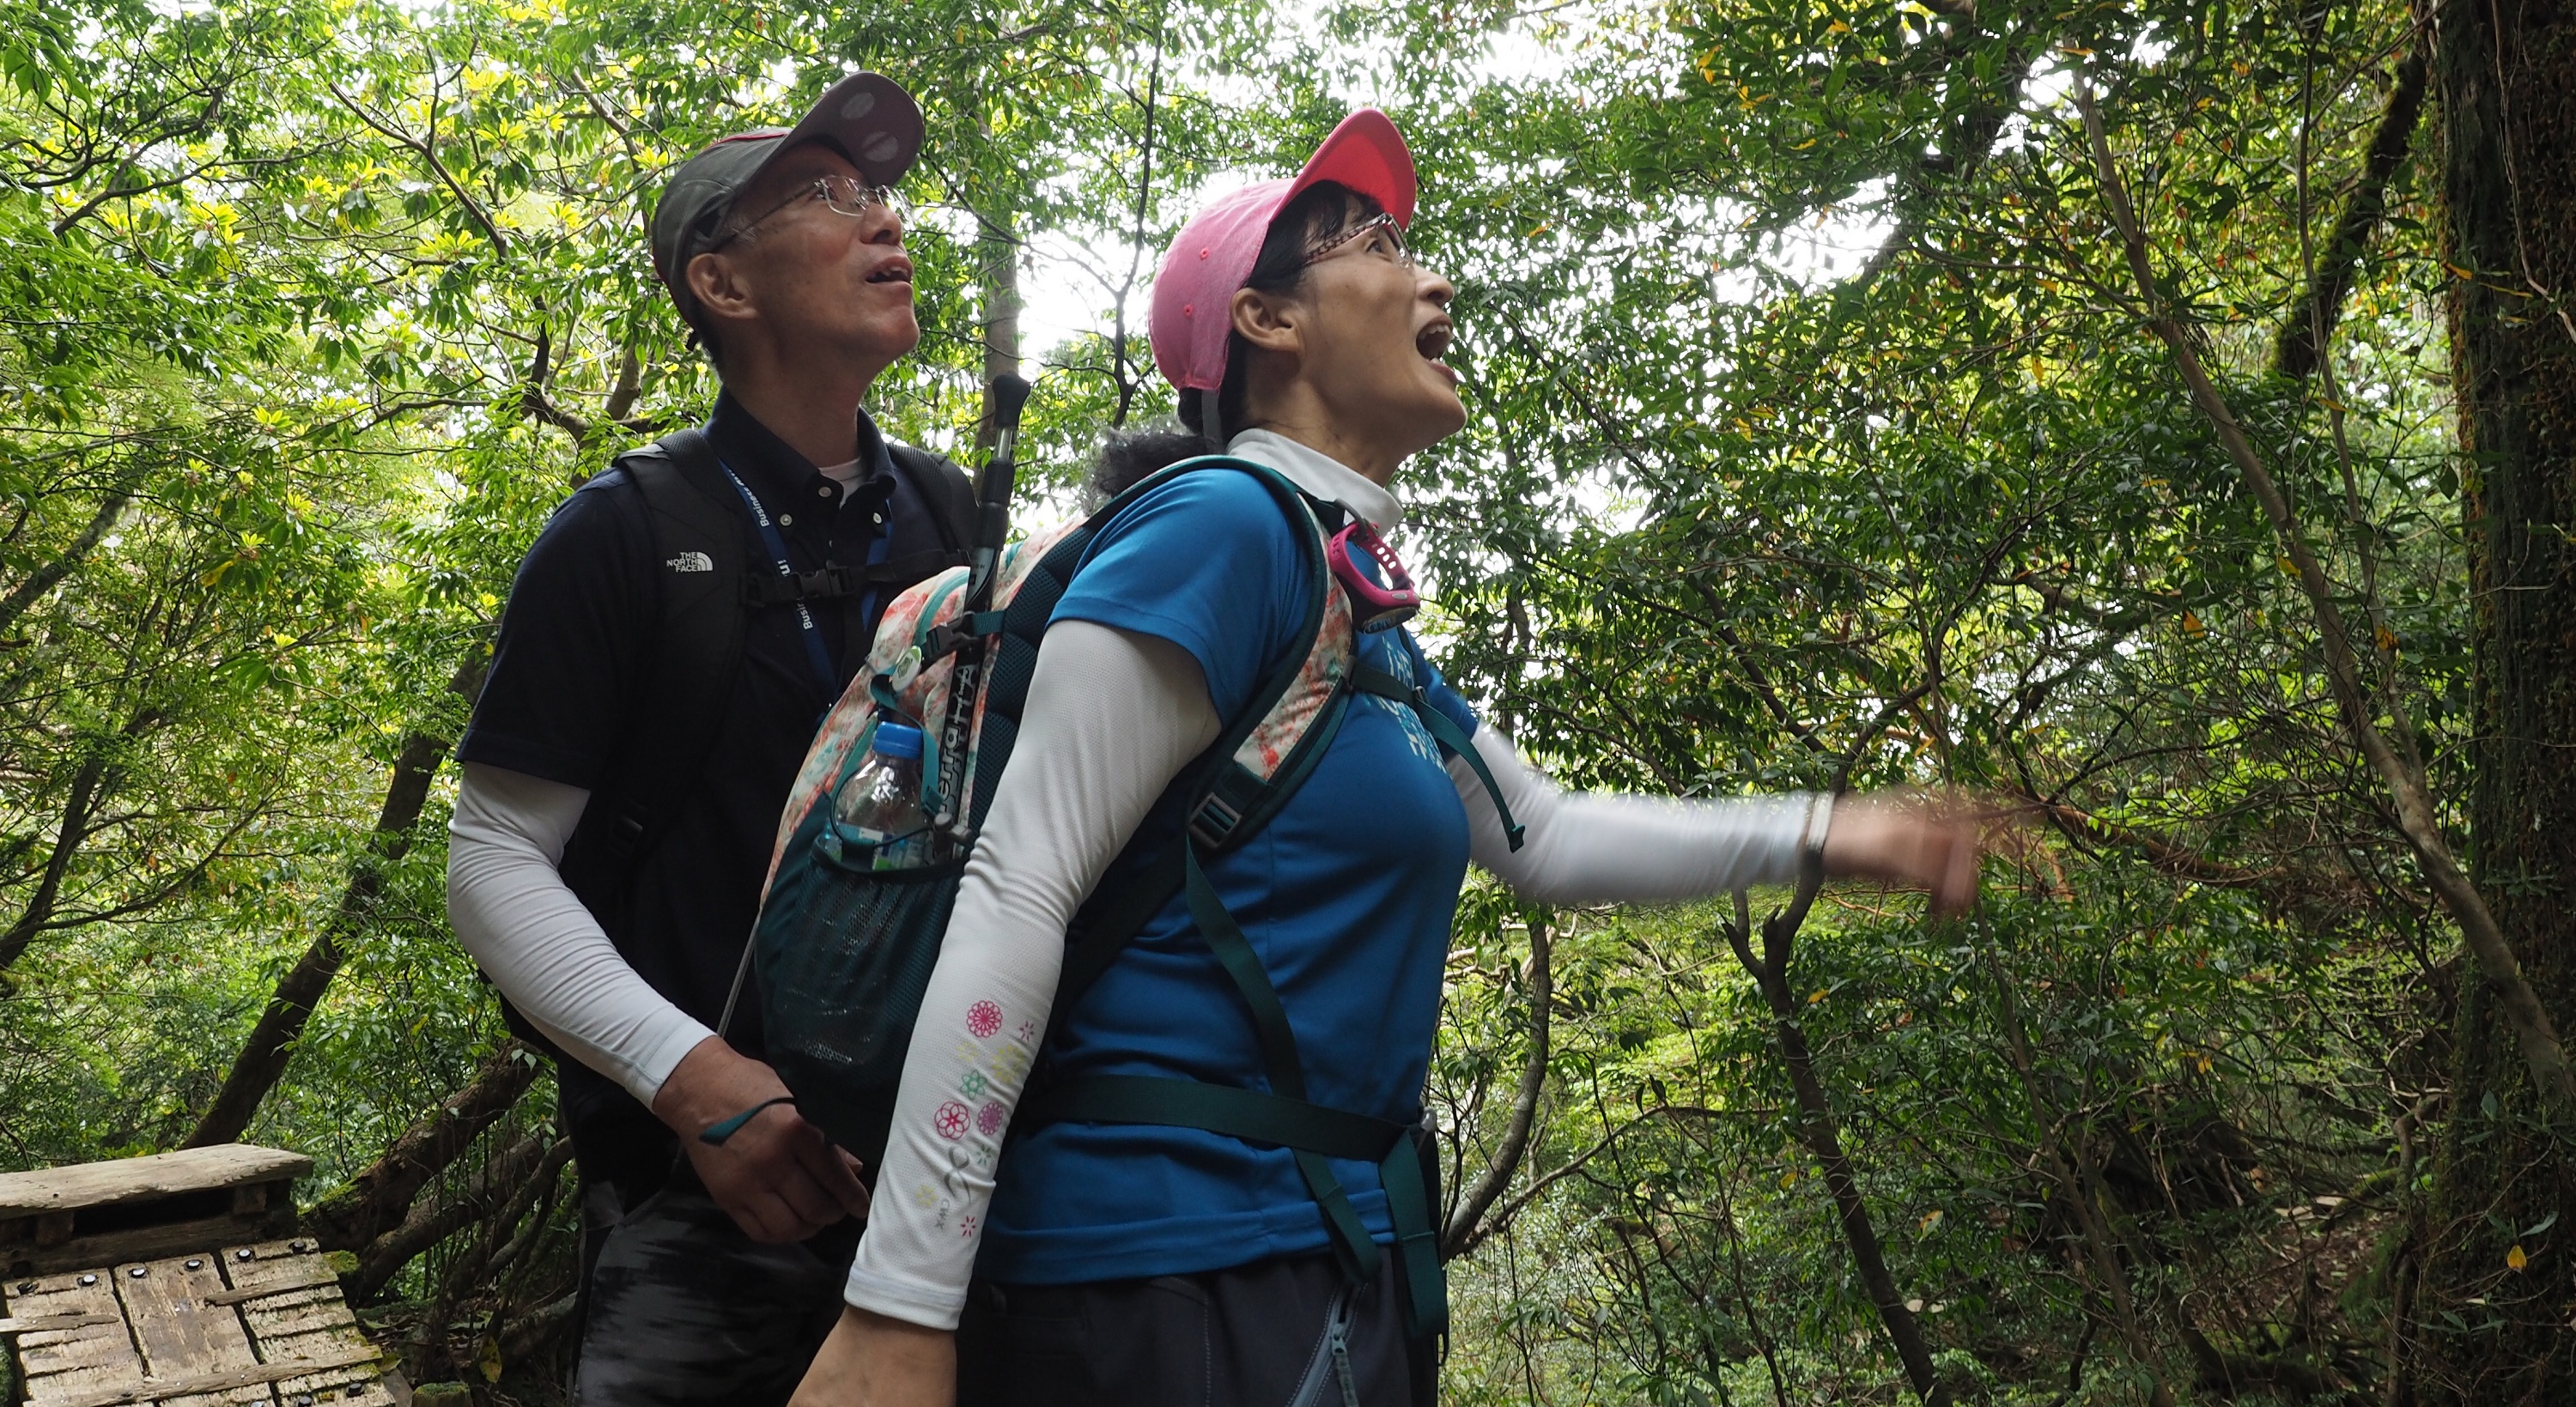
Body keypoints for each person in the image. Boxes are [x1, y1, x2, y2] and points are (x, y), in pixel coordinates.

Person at [791, 109, 1997, 1407]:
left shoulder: (1352, 618)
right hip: (1164, 1274)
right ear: (1266, 321)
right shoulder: (1220, 527)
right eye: (1373, 245)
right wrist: (901, 1305)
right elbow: (1020, 883)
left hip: (1317, 1261)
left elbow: (1546, 837)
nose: (1432, 280)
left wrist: (1829, 832)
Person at [445, 72, 976, 1407]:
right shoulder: (626, 532)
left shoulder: (954, 516)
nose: (883, 217)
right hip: (703, 1198)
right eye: (824, 196)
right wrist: (695, 1081)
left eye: (878, 191)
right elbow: (496, 857)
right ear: (721, 283)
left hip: (943, 1191)